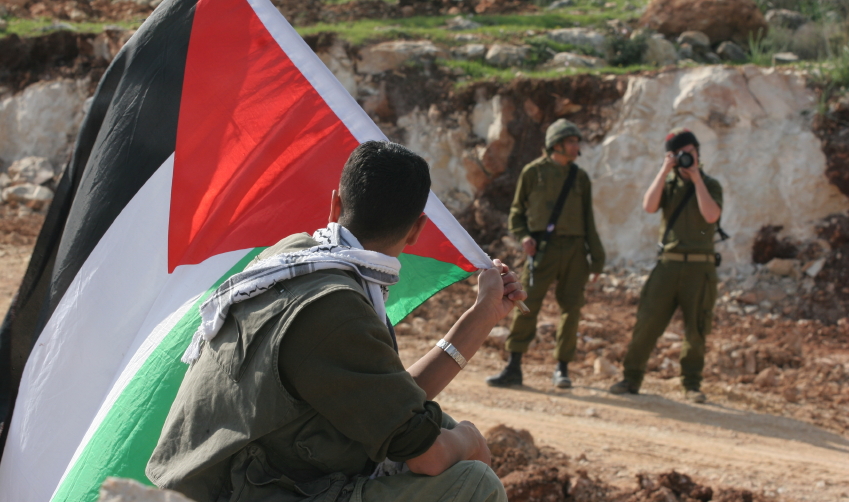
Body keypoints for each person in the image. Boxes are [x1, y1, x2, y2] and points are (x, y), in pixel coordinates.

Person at [146, 141, 526, 502]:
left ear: (335, 205)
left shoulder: (292, 259)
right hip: (241, 491)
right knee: (474, 486)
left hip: (230, 479)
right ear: (416, 230)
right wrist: (471, 442)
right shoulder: (335, 306)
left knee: (435, 423)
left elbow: (389, 402)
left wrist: (483, 314)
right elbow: (429, 457)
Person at [486, 119, 605, 389]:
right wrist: (524, 236)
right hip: (542, 249)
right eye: (572, 141)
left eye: (576, 142)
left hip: (575, 250)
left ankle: (562, 369)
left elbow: (588, 221)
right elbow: (516, 213)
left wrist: (597, 257)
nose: (577, 146)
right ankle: (514, 366)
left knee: (571, 309)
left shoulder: (581, 177)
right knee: (526, 303)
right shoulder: (533, 172)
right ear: (557, 144)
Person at [609, 128, 723, 404]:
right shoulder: (669, 184)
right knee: (647, 322)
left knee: (696, 329)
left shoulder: (710, 185)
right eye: (680, 154)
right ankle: (631, 378)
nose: (686, 158)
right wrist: (664, 169)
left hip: (700, 268)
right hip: (668, 266)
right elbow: (649, 206)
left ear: (697, 153)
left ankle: (691, 384)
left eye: (690, 153)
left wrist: (696, 178)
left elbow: (711, 215)